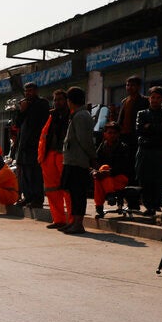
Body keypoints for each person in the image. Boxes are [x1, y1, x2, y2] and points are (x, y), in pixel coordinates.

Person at [59, 86, 97, 234]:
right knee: (73, 194)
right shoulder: (77, 114)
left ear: (70, 101)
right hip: (72, 161)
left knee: (78, 194)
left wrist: (93, 158)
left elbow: (85, 140)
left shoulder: (82, 116)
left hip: (78, 162)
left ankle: (78, 224)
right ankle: (73, 221)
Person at [134, 85, 162, 217]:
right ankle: (148, 206)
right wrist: (157, 127)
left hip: (160, 150)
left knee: (160, 178)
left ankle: (158, 204)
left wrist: (150, 127)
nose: (155, 100)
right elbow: (140, 130)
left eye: (158, 98)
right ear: (149, 99)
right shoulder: (142, 114)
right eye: (152, 97)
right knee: (145, 178)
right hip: (145, 150)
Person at [38, 90, 71, 229]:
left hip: (64, 155)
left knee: (67, 190)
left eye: (60, 99)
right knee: (52, 190)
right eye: (55, 99)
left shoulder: (71, 115)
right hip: (49, 156)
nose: (57, 102)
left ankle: (72, 221)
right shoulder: (52, 116)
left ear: (66, 100)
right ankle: (58, 220)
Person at [13, 82, 49, 208]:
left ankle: (37, 199)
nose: (28, 93)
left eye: (31, 91)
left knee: (35, 174)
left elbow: (42, 123)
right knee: (25, 174)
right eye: (27, 91)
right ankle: (28, 198)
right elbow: (17, 123)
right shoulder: (24, 105)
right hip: (23, 145)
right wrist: (22, 110)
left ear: (36, 91)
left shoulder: (42, 104)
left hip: (35, 145)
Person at [93, 122, 134, 217]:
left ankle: (99, 206)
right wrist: (95, 172)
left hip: (120, 178)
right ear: (105, 134)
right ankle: (109, 195)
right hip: (106, 179)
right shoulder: (102, 146)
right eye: (109, 133)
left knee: (103, 171)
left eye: (114, 133)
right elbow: (95, 162)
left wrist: (109, 172)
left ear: (118, 134)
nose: (112, 135)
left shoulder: (123, 147)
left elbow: (125, 167)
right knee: (99, 177)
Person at [116, 75, 148, 146]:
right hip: (124, 136)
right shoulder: (124, 101)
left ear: (139, 87)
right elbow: (120, 119)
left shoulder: (145, 101)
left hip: (136, 136)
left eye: (132, 85)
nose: (129, 87)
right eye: (127, 85)